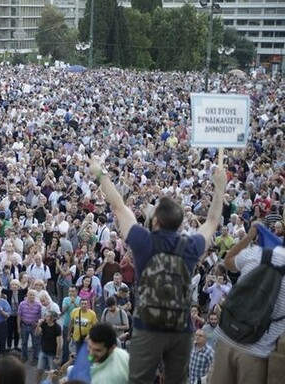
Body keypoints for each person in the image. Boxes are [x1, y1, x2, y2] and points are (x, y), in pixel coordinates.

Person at [87, 156, 226, 384]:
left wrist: (99, 172)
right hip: (180, 329)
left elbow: (119, 205)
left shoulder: (143, 241)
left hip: (147, 327)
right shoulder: (191, 246)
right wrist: (220, 187)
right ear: (178, 224)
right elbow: (212, 221)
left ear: (155, 222)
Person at [210, 224, 285, 383]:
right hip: (256, 350)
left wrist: (249, 236)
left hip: (226, 336)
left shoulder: (257, 253)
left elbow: (228, 261)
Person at [34, 311, 62, 384]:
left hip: (52, 354)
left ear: (52, 318)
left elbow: (59, 343)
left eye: (47, 316)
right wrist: (38, 325)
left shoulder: (57, 328)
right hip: (43, 351)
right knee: (39, 371)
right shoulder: (44, 324)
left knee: (53, 374)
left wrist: (57, 357)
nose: (45, 317)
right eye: (45, 316)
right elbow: (36, 334)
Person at [17, 289, 42, 362]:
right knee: (24, 342)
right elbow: (19, 316)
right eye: (30, 295)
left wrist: (38, 324)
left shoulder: (39, 305)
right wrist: (18, 327)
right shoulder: (22, 304)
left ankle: (35, 358)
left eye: (33, 295)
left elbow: (41, 316)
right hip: (24, 325)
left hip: (34, 327)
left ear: (35, 296)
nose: (32, 296)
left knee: (35, 343)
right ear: (27, 295)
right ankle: (24, 357)